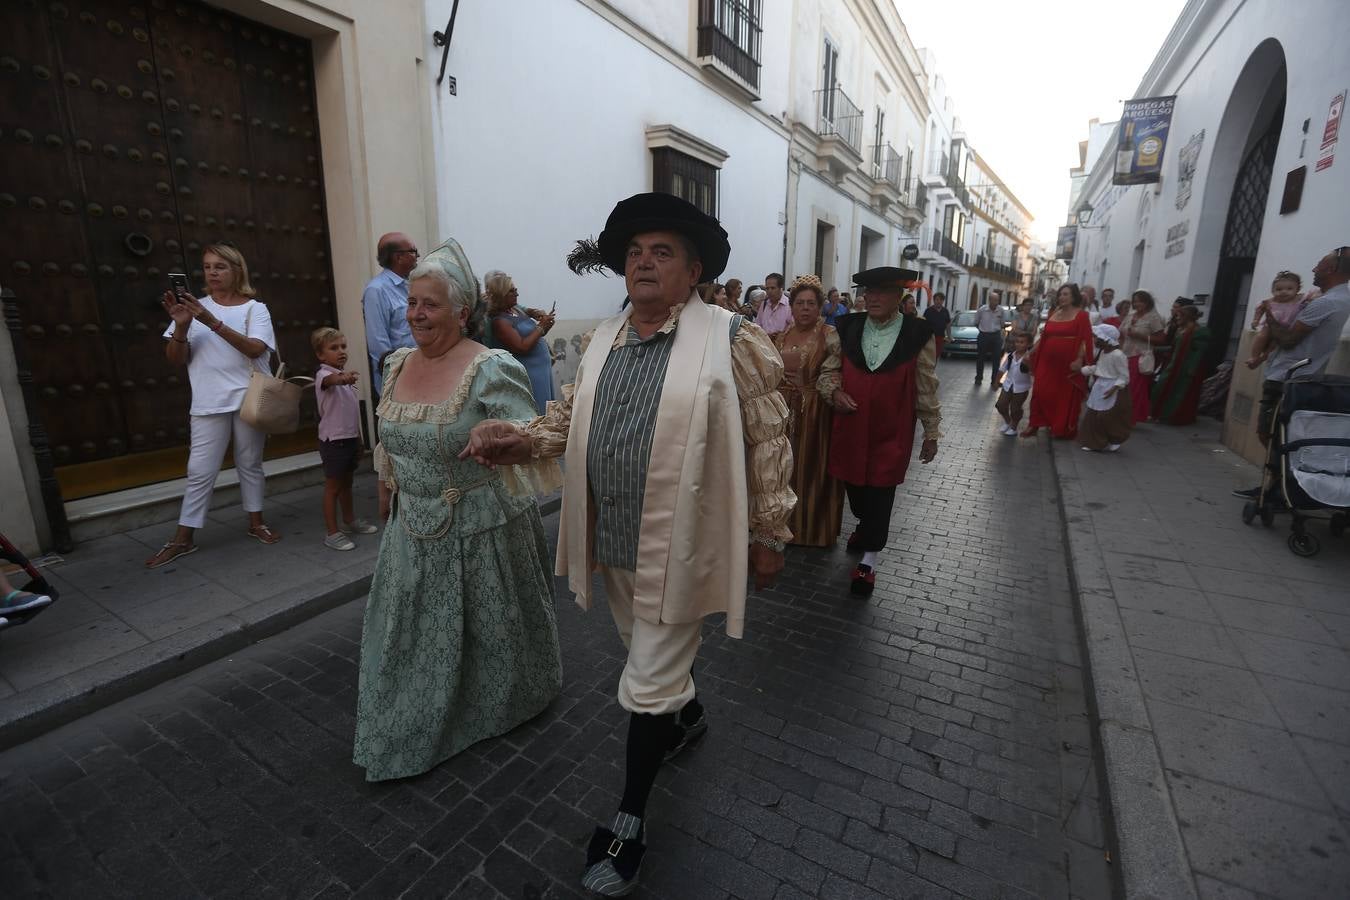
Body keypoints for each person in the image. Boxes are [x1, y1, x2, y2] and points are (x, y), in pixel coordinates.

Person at [461, 193, 792, 897]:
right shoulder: (606, 337)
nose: (644, 261)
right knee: (644, 651)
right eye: (635, 252)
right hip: (610, 536)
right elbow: (566, 421)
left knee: (644, 686)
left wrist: (772, 531)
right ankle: (688, 711)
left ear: (695, 269)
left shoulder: (732, 337)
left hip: (684, 541)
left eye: (662, 251)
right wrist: (516, 440)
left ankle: (629, 818)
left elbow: (768, 435)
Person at [355, 240, 562, 783]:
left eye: (431, 304)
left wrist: (500, 432)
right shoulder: (398, 363)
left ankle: (495, 704)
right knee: (413, 634)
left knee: (487, 630)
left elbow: (526, 428)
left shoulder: (491, 366)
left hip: (479, 525)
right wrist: (388, 480)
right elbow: (391, 436)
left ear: (462, 312)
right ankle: (407, 720)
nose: (417, 314)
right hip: (411, 528)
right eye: (413, 303)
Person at [146, 244, 280, 568]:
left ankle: (256, 522)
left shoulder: (254, 309)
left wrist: (210, 321)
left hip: (248, 397)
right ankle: (183, 538)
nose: (212, 273)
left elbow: (255, 348)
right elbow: (177, 360)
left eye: (220, 266)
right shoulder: (193, 309)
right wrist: (181, 326)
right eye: (207, 267)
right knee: (199, 471)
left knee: (250, 463)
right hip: (208, 400)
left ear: (237, 270)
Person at [826, 266, 941, 597]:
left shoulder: (918, 334)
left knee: (881, 493)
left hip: (892, 430)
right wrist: (834, 392)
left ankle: (869, 560)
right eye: (868, 293)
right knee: (857, 493)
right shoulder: (847, 327)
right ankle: (863, 525)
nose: (872, 298)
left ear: (899, 298)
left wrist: (931, 431)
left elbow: (926, 386)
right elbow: (829, 370)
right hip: (851, 427)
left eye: (881, 293)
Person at [1243, 247, 1350, 468]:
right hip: (1301, 374)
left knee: (1268, 431)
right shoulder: (1338, 298)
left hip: (1288, 376)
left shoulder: (1325, 302)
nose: (1314, 269)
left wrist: (1269, 314)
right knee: (1278, 432)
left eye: (1319, 265)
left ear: (1330, 269)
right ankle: (1275, 483)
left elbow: (1288, 339)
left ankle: (1277, 484)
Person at [774, 275, 844, 547]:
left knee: (812, 468)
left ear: (820, 307)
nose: (805, 308)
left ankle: (812, 531)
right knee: (783, 470)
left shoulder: (830, 336)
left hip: (815, 413)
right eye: (800, 303)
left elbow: (836, 373)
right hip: (782, 412)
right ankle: (782, 526)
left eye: (811, 303)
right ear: (791, 306)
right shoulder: (781, 335)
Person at [311, 328, 379, 550]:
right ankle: (332, 532)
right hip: (334, 441)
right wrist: (343, 378)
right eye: (333, 348)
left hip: (349, 439)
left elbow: (351, 412)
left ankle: (349, 521)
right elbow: (331, 381)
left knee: (347, 484)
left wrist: (359, 438)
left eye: (343, 346)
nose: (341, 351)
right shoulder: (324, 375)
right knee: (333, 487)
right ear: (321, 355)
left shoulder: (346, 378)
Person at [1023, 283, 1093, 439]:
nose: (1062, 297)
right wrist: (1030, 352)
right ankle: (1034, 423)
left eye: (1066, 294)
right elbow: (1044, 337)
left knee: (1062, 396)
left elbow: (1085, 340)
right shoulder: (1054, 313)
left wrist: (1080, 359)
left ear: (1074, 296)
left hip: (1067, 364)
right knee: (1040, 391)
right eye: (1060, 294)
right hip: (1046, 361)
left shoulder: (1082, 316)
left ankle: (1059, 427)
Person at [483, 270, 557, 413]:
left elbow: (534, 336)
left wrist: (545, 324)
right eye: (512, 291)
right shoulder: (500, 322)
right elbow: (522, 347)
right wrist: (541, 327)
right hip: (530, 375)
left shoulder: (515, 310)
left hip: (541, 370)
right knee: (537, 414)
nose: (517, 294)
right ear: (502, 294)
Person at [361, 232, 419, 395]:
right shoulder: (377, 290)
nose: (417, 256)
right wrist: (399, 373)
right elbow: (378, 344)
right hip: (399, 380)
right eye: (413, 251)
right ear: (398, 257)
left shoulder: (411, 285)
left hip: (421, 372)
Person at [1075, 323, 1133, 451]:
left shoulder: (1118, 355)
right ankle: (1094, 442)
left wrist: (1114, 388)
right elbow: (1100, 367)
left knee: (1107, 416)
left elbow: (1124, 375)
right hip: (1101, 385)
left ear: (1106, 339)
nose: (1094, 340)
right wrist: (1085, 370)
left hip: (1113, 388)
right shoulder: (1103, 353)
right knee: (1094, 415)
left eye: (1096, 337)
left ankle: (1115, 438)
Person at [1119, 290, 1167, 424]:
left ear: (1147, 302)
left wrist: (1141, 336)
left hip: (1140, 356)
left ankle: (1130, 417)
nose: (1137, 303)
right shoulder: (1130, 316)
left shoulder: (1153, 318)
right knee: (1123, 385)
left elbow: (1161, 339)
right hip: (1125, 354)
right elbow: (1121, 333)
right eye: (1135, 301)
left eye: (1140, 301)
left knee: (1134, 387)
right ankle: (1122, 413)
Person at [1245, 271, 1308, 369]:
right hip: (1270, 325)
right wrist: (1255, 320)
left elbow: (1311, 297)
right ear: (1272, 290)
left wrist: (1313, 298)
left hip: (1286, 328)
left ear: (1298, 289)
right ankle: (1254, 356)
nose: (1283, 292)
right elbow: (1260, 309)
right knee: (1262, 336)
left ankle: (1261, 359)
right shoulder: (1270, 301)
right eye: (1278, 289)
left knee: (1274, 347)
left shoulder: (1299, 299)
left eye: (1289, 289)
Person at [995, 332, 1033, 436]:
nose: (1019, 344)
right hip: (1008, 385)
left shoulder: (1029, 358)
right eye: (1017, 342)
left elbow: (1033, 372)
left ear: (1028, 344)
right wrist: (996, 382)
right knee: (1000, 405)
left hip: (1021, 388)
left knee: (1015, 408)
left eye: (1022, 342)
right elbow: (1002, 370)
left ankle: (1014, 426)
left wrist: (1029, 365)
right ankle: (1008, 422)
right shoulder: (1011, 356)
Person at [973, 289, 1004, 386]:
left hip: (996, 336)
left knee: (996, 359)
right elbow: (976, 322)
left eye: (997, 300)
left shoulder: (1001, 310)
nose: (995, 302)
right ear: (989, 300)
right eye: (994, 300)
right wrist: (983, 331)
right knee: (981, 358)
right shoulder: (982, 310)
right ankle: (978, 378)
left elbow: (1002, 323)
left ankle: (994, 380)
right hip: (984, 335)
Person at [923, 291, 951, 356]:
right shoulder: (928, 310)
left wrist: (949, 336)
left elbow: (948, 324)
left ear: (943, 301)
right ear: (934, 300)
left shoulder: (945, 311)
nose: (939, 301)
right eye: (937, 299)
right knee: (929, 355)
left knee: (937, 355)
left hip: (940, 337)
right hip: (930, 337)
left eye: (941, 300)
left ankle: (933, 366)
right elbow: (923, 323)